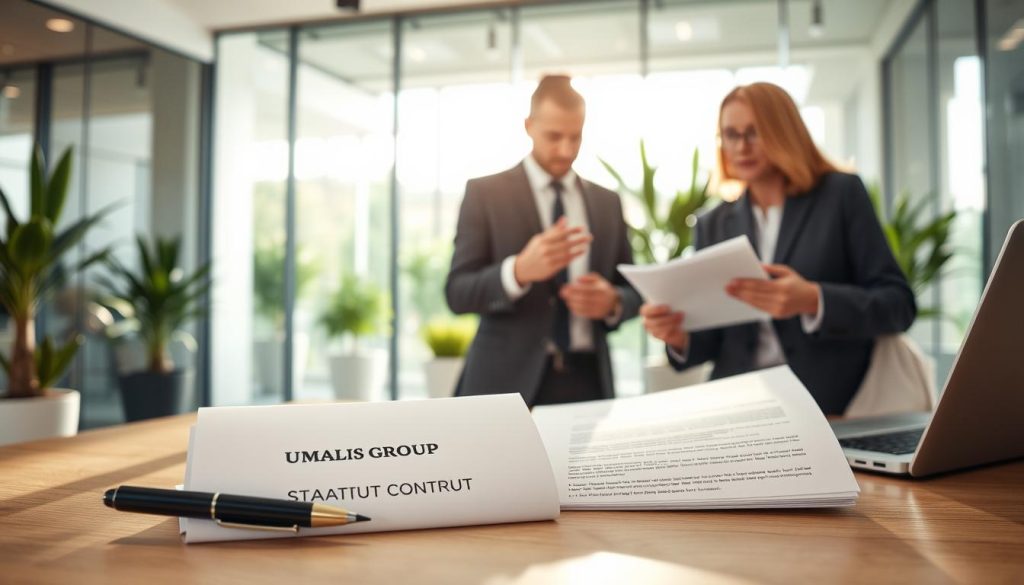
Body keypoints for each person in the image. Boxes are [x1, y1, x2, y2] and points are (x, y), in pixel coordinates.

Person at [641, 82, 916, 414]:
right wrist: (676, 335)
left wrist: (813, 299)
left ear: (784, 132)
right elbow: (711, 342)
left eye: (754, 133)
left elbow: (898, 305)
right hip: (739, 406)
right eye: (730, 134)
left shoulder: (841, 195)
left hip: (828, 405)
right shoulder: (713, 223)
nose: (741, 147)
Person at [446, 74, 641, 406]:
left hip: (588, 383)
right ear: (528, 126)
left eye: (575, 137)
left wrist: (612, 302)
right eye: (554, 136)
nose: (565, 150)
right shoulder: (485, 194)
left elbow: (634, 289)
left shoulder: (607, 203)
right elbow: (457, 293)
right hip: (502, 384)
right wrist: (517, 271)